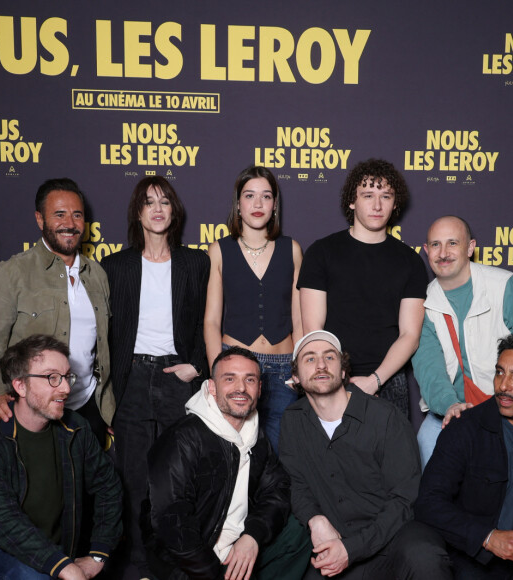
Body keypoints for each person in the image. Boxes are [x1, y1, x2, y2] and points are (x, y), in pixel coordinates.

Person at [101, 175, 210, 579]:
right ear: (139, 213)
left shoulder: (195, 262)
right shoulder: (116, 266)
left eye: (165, 201)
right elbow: (105, 332)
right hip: (132, 378)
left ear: (174, 210)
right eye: (149, 202)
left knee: (177, 479)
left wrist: (196, 366)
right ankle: (138, 568)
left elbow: (207, 321)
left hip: (176, 376)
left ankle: (176, 565)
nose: (158, 208)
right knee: (132, 479)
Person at [280, 330, 452, 579]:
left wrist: (352, 549)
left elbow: (404, 500)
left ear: (342, 371)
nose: (320, 365)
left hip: (392, 538)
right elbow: (296, 483)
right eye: (309, 359)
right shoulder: (293, 420)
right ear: (296, 377)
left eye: (330, 357)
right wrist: (314, 519)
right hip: (335, 540)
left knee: (425, 555)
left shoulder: (385, 416)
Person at [0, 334, 122, 580]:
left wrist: (97, 555)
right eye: (52, 378)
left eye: (67, 377)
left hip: (55, 554)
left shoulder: (76, 429)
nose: (65, 388)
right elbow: (2, 520)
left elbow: (109, 487)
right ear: (20, 385)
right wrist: (65, 567)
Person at [147, 346, 311, 580]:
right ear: (212, 387)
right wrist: (211, 572)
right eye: (230, 379)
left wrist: (252, 536)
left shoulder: (256, 435)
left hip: (237, 548)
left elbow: (278, 490)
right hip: (192, 564)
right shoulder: (183, 439)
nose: (241, 388)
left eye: (250, 379)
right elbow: (172, 523)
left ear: (260, 388)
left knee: (298, 529)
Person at [0, 178, 114, 444]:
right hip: (32, 412)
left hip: (87, 411)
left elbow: (105, 350)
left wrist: (109, 408)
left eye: (77, 215)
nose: (70, 223)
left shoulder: (97, 276)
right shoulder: (12, 273)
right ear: (40, 219)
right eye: (59, 214)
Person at [297, 159, 427, 417]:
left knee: (390, 458)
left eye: (385, 196)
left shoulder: (410, 261)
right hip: (330, 379)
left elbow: (410, 335)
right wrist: (338, 380)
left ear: (395, 202)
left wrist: (374, 381)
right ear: (352, 201)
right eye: (368, 195)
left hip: (388, 380)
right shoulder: (321, 253)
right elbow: (313, 329)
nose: (377, 205)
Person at [412, 216, 513, 467]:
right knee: (427, 441)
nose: (443, 253)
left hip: (510, 407)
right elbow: (428, 366)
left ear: (470, 247)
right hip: (454, 409)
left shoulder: (506, 287)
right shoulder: (422, 302)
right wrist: (450, 405)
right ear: (426, 250)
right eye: (435, 245)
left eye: (452, 243)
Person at [204, 165, 303, 453]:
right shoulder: (219, 250)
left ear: (275, 205)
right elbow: (211, 320)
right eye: (249, 196)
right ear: (238, 204)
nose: (258, 204)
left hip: (284, 370)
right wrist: (218, 371)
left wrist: (299, 368)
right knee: (234, 454)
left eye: (266, 196)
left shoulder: (292, 249)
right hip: (236, 369)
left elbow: (299, 320)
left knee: (279, 457)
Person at [416, 333, 513, 579]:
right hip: (479, 562)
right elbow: (428, 504)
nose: (504, 385)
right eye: (500, 372)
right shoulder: (465, 428)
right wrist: (488, 537)